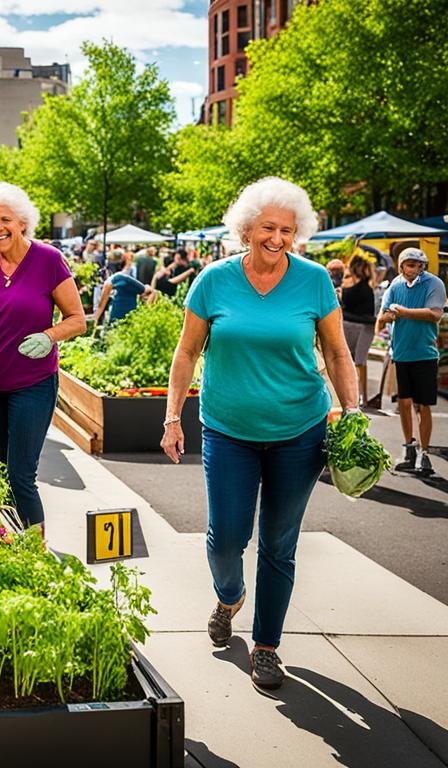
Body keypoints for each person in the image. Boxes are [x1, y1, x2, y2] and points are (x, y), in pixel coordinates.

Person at [160, 177, 359, 691]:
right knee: (226, 538)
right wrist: (172, 416)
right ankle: (229, 596)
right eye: (268, 227)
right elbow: (186, 353)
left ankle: (267, 646)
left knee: (278, 543)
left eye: (287, 230)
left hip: (300, 431)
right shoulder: (213, 280)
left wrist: (352, 409)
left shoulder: (315, 281)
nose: (277, 237)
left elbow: (337, 353)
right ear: (246, 229)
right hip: (228, 430)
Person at [0, 182, 86, 531]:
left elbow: (78, 320)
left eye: (6, 220)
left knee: (20, 476)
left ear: (23, 223)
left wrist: (49, 335)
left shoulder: (48, 260)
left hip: (33, 383)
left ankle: (36, 556)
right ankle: (7, 544)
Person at [377, 247, 445, 476]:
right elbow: (382, 317)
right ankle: (410, 450)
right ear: (402, 266)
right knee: (404, 403)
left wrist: (403, 312)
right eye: (411, 265)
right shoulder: (395, 285)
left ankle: (424, 454)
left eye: (419, 265)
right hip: (401, 354)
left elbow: (435, 314)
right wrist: (389, 315)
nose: (416, 269)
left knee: (422, 405)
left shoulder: (434, 283)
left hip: (424, 354)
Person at [339, 254, 377, 407]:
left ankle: (358, 396)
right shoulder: (365, 286)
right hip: (363, 327)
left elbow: (347, 299)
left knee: (357, 362)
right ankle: (362, 397)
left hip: (359, 326)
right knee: (360, 362)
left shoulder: (360, 287)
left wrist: (341, 293)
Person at [92, 249, 154, 327]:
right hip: (127, 322)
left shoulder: (109, 281)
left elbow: (100, 307)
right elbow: (149, 290)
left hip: (113, 322)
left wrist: (93, 322)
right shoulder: (123, 279)